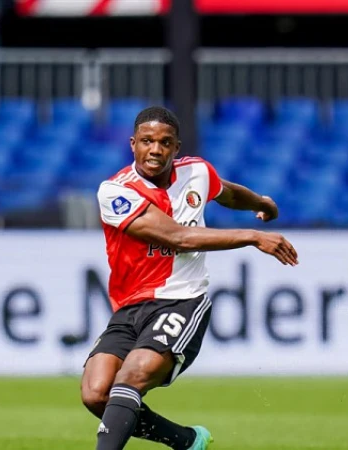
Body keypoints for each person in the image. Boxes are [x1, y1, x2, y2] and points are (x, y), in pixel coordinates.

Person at [81, 106, 298, 450]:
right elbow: (178, 237)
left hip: (182, 300)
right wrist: (253, 236)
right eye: (148, 141)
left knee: (132, 376)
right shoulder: (115, 193)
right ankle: (186, 440)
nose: (156, 149)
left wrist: (262, 202)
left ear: (176, 147)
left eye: (165, 143)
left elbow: (226, 192)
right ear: (133, 144)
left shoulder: (196, 171)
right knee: (96, 393)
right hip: (129, 308)